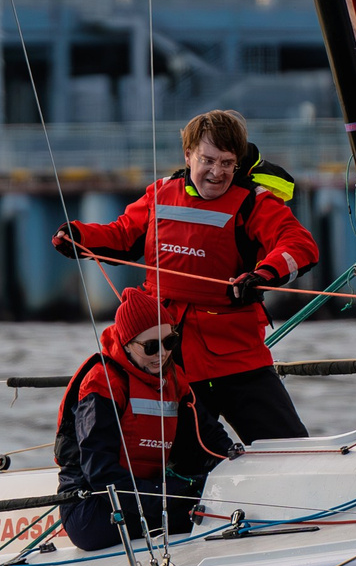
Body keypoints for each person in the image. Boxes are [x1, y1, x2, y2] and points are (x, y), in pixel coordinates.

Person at [53, 109, 319, 449]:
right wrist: (78, 235)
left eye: (227, 163)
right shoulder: (160, 193)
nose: (216, 172)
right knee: (180, 464)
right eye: (208, 160)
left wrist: (262, 274)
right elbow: (122, 235)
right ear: (188, 155)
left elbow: (300, 245)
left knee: (291, 451)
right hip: (167, 359)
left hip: (237, 358)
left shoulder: (255, 202)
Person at [53, 288, 223, 551]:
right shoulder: (103, 384)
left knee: (219, 503)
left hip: (153, 493)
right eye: (151, 347)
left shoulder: (174, 379)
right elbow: (99, 471)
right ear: (127, 344)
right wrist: (163, 498)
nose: (162, 354)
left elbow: (208, 440)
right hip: (94, 506)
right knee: (200, 512)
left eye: (169, 342)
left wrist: (239, 468)